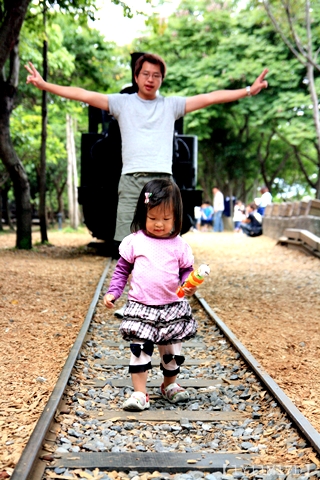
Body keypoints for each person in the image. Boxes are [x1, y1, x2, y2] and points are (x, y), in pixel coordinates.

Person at [25, 54, 269, 248]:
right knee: (126, 244)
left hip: (163, 181)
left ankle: (159, 298)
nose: (150, 79)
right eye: (145, 74)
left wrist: (248, 90)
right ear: (136, 77)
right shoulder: (121, 103)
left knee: (163, 243)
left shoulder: (171, 105)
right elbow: (83, 94)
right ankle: (133, 298)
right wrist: (44, 85)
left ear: (162, 79)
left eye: (156, 75)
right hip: (130, 181)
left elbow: (209, 98)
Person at [103, 179, 198, 411]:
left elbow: (186, 270)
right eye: (153, 218)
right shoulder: (135, 242)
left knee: (172, 350)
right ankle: (139, 393)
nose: (159, 224)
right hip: (141, 306)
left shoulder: (179, 245)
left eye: (166, 219)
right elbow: (122, 270)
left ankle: (169, 385)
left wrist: (189, 283)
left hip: (172, 306)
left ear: (176, 218)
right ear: (142, 213)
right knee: (140, 349)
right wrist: (114, 292)